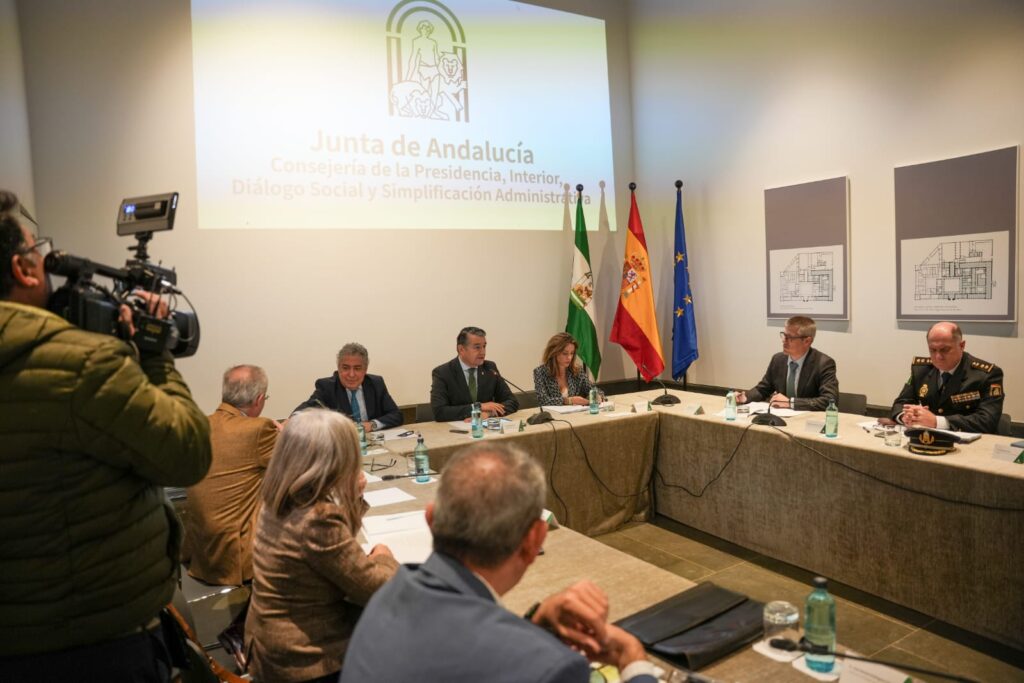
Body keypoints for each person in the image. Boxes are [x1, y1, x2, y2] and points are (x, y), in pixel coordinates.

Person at [0, 190, 211, 680]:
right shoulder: (82, 364)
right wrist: (154, 355)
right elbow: (187, 453)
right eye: (38, 250)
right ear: (23, 269)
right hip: (96, 644)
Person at [341, 443, 657, 683]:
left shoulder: (388, 593)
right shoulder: (552, 668)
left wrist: (535, 626)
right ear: (535, 539)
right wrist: (633, 659)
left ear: (431, 520)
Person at [245, 410, 398, 683]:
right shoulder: (317, 519)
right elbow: (376, 590)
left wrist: (352, 496)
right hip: (307, 660)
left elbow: (338, 550)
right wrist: (384, 557)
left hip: (269, 643)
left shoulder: (277, 498)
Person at [184, 364, 280, 586]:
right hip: (236, 553)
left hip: (201, 547)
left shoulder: (199, 424)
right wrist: (288, 434)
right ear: (259, 399)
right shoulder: (258, 429)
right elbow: (298, 465)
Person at [890, 321, 1004, 434]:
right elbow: (900, 403)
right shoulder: (921, 370)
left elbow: (987, 421)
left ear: (962, 345)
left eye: (944, 350)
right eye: (932, 350)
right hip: (927, 438)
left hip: (968, 441)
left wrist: (937, 422)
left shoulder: (986, 375)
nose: (938, 356)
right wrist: (906, 416)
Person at [735, 315, 839, 411]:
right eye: (784, 335)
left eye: (790, 338)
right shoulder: (778, 360)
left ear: (807, 341)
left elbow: (829, 400)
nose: (784, 340)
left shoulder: (823, 363)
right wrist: (745, 397)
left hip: (809, 420)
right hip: (781, 417)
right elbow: (763, 389)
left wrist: (790, 403)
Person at [292, 342, 402, 431]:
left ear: (365, 370)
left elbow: (396, 415)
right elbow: (306, 408)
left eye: (357, 368)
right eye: (345, 368)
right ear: (338, 368)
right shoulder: (327, 387)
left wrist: (371, 425)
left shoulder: (376, 383)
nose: (351, 374)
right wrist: (292, 420)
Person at [430, 326, 519, 421]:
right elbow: (439, 412)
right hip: (457, 428)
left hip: (486, 427)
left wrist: (489, 414)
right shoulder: (443, 373)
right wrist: (477, 407)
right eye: (477, 347)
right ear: (461, 349)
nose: (483, 352)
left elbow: (512, 402)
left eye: (484, 346)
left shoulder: (490, 368)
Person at [534, 332, 594, 406]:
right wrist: (569, 400)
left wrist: (597, 396)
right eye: (565, 353)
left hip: (576, 412)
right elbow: (543, 401)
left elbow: (593, 390)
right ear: (554, 353)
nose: (569, 357)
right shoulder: (540, 372)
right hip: (552, 413)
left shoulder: (577, 371)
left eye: (572, 353)